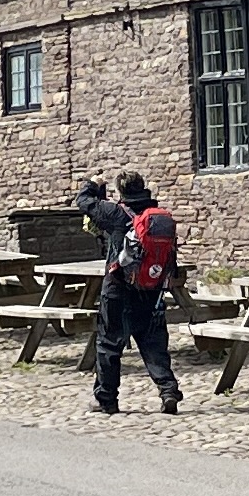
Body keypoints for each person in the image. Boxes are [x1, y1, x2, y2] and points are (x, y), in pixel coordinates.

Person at [75, 172, 184, 415]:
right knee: (153, 342)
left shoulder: (115, 213)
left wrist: (93, 184)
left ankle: (106, 399)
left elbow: (83, 201)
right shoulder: (159, 217)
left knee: (109, 344)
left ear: (121, 191)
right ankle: (168, 391)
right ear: (143, 188)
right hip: (152, 289)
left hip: (118, 288)